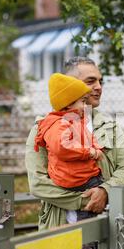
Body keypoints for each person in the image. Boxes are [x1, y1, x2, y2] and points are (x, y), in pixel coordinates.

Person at [25, 57, 124, 231]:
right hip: (60, 225)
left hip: (109, 226)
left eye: (101, 81)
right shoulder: (44, 128)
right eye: (91, 81)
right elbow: (38, 183)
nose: (99, 87)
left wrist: (105, 190)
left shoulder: (110, 125)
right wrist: (86, 200)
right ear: (69, 86)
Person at [33, 73, 104, 220]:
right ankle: (88, 240)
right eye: (83, 101)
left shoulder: (75, 120)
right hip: (77, 179)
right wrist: (89, 153)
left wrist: (96, 148)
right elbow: (62, 147)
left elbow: (88, 138)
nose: (86, 105)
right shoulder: (57, 124)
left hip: (84, 176)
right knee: (88, 213)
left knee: (102, 199)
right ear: (69, 104)